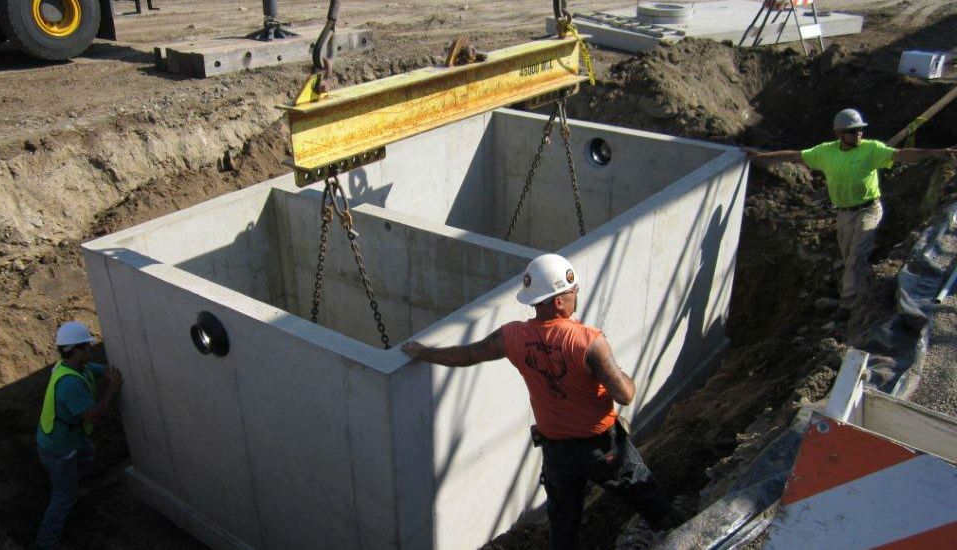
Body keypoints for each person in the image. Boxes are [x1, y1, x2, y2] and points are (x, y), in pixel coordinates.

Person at [401, 254, 677, 549]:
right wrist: (619, 372)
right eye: (573, 292)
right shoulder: (589, 341)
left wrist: (423, 352)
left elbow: (468, 355)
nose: (575, 297)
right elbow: (625, 394)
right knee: (648, 498)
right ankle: (683, 537)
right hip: (601, 448)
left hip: (556, 452)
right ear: (559, 301)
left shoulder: (513, 336)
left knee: (563, 526)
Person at [745, 108, 956, 320]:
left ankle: (847, 306)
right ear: (839, 134)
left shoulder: (871, 150)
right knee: (849, 257)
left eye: (860, 131)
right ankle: (859, 291)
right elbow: (795, 156)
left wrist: (935, 152)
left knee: (856, 255)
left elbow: (900, 155)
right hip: (844, 214)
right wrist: (762, 157)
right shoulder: (826, 152)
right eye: (853, 131)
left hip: (868, 209)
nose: (858, 135)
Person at [34, 321, 122, 550]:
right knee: (63, 498)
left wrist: (115, 371)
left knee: (88, 454)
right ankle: (46, 543)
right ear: (75, 350)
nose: (90, 350)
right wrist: (112, 389)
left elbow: (96, 370)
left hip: (67, 439)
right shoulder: (70, 385)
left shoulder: (73, 366)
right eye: (86, 347)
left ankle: (75, 488)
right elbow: (92, 415)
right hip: (59, 449)